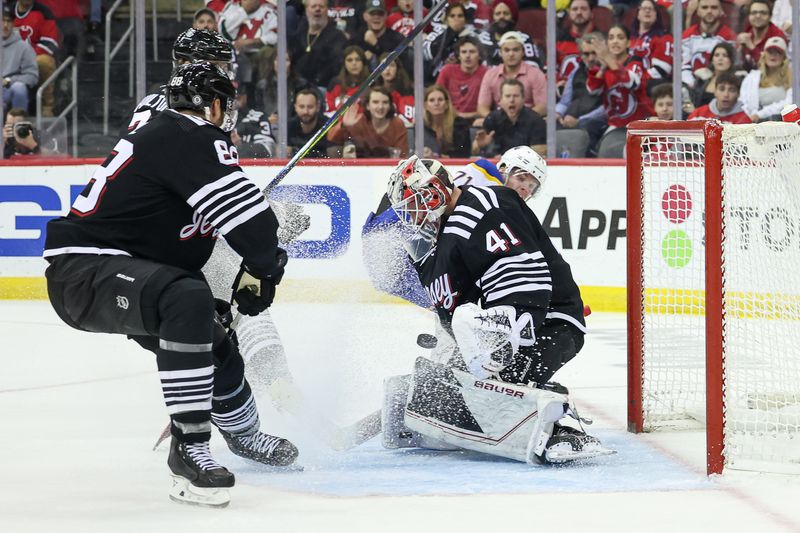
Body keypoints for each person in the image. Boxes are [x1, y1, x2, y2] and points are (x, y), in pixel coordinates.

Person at [42, 62, 298, 508]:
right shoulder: (190, 134)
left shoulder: (169, 134)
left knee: (217, 343)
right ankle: (190, 448)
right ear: (215, 105)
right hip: (86, 269)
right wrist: (265, 267)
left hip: (126, 266)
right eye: (226, 104)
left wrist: (228, 293)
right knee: (187, 300)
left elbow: (171, 241)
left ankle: (245, 436)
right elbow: (254, 230)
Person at [379, 155, 607, 465]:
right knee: (437, 389)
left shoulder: (485, 204)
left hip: (550, 322)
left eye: (414, 203)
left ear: (434, 191)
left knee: (484, 368)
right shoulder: (434, 245)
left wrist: (504, 342)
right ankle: (523, 392)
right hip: (495, 335)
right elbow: (452, 311)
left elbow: (526, 282)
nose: (412, 215)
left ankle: (559, 425)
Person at [125, 29, 234, 135]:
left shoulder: (156, 98)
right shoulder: (189, 107)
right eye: (217, 66)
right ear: (187, 63)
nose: (223, 73)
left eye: (224, 67)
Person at [586, 25, 654, 145]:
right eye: (611, 38)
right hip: (616, 124)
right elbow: (593, 90)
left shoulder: (635, 61)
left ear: (628, 43)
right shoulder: (605, 67)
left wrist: (608, 58)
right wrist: (602, 67)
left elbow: (631, 82)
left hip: (640, 122)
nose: (615, 41)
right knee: (590, 129)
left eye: (620, 37)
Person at [476, 31, 547, 120]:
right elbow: (482, 107)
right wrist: (495, 119)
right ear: (500, 53)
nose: (511, 54)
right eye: (506, 50)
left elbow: (543, 107)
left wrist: (518, 119)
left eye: (515, 50)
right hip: (499, 122)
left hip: (527, 122)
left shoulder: (536, 74)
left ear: (523, 52)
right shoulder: (490, 74)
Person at [326, 85, 409, 158]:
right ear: (368, 105)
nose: (380, 107)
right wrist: (343, 125)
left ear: (390, 105)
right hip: (360, 168)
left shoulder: (398, 124)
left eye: (385, 102)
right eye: (375, 102)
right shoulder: (358, 121)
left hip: (388, 169)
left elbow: (402, 155)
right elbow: (331, 138)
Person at [474, 79, 546, 157]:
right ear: (500, 100)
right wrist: (481, 146)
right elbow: (474, 150)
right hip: (497, 165)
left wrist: (508, 160)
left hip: (524, 167)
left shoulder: (536, 120)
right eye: (507, 96)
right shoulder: (492, 119)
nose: (512, 100)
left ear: (523, 99)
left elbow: (539, 153)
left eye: (516, 96)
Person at [12, 0, 60, 116]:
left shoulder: (43, 12)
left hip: (35, 58)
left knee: (45, 61)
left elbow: (50, 42)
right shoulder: (7, 11)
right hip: (10, 59)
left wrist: (26, 58)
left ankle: (47, 107)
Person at [290, 0, 348, 91]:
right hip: (298, 86)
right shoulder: (299, 35)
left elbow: (335, 68)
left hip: (323, 87)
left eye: (321, 6)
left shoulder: (337, 36)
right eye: (313, 6)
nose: (317, 9)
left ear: (327, 10)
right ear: (306, 10)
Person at [555, 32, 605, 132]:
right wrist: (557, 113)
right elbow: (564, 102)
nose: (591, 58)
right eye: (586, 54)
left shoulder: (609, 73)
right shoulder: (575, 73)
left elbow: (607, 110)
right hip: (569, 122)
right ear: (581, 56)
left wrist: (580, 121)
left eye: (594, 53)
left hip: (595, 125)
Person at [681, 0, 737, 89]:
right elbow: (684, 67)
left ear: (721, 11)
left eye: (714, 7)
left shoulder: (729, 36)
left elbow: (730, 69)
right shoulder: (687, 35)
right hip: (691, 86)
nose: (709, 11)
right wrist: (692, 85)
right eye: (704, 7)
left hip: (717, 86)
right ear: (698, 12)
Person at [435, 35, 487, 124]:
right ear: (458, 56)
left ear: (479, 55)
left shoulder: (487, 73)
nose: (467, 56)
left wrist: (467, 115)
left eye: (472, 52)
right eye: (463, 52)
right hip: (450, 120)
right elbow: (437, 96)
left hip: (478, 120)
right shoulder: (447, 71)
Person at [349, 0, 411, 73]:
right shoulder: (357, 39)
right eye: (372, 14)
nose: (376, 17)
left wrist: (376, 45)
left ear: (386, 15)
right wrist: (362, 58)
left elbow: (401, 64)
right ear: (365, 16)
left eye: (380, 14)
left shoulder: (397, 39)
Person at [477, 0, 543, 69]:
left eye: (506, 13)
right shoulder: (482, 39)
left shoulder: (524, 40)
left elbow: (533, 67)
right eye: (497, 14)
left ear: (512, 16)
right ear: (492, 17)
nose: (501, 17)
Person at [740, 36, 792, 123]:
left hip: (781, 124)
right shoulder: (751, 77)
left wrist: (759, 114)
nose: (773, 55)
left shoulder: (792, 78)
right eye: (770, 52)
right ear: (764, 55)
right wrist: (750, 117)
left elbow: (789, 103)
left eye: (778, 52)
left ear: (784, 58)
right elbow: (742, 102)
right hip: (753, 124)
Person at [423, 2, 473, 84]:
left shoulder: (471, 36)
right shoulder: (437, 33)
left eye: (460, 16)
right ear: (446, 19)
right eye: (452, 16)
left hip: (466, 80)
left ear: (465, 20)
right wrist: (451, 31)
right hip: (436, 80)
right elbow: (429, 53)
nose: (456, 19)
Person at [629, 0, 673, 89]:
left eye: (651, 9)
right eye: (644, 8)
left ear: (656, 15)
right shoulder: (629, 38)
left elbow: (662, 70)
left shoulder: (664, 38)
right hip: (628, 81)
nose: (647, 11)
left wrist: (637, 79)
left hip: (650, 85)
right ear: (638, 14)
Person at [1, 5, 38, 112]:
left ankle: (20, 124)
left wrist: (8, 81)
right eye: (2, 20)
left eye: (9, 21)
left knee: (19, 88)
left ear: (13, 24)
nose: (5, 25)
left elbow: (32, 76)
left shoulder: (24, 47)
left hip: (9, 89)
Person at [737, 0, 787, 72]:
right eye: (754, 13)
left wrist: (752, 47)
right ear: (748, 16)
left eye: (763, 13)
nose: (758, 16)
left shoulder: (777, 37)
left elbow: (772, 68)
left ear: (770, 17)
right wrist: (739, 51)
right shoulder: (746, 32)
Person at [423, 84, 471, 158]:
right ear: (426, 105)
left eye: (440, 100)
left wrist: (438, 157)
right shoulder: (421, 127)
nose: (436, 103)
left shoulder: (460, 124)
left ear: (447, 104)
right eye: (432, 100)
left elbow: (463, 154)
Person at [689, 41, 737, 110]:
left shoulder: (737, 81)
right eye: (717, 55)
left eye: (725, 55)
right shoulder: (702, 79)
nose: (720, 59)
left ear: (731, 60)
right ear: (712, 60)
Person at [556, 0, 595, 84]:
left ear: (592, 13)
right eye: (574, 9)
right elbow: (550, 70)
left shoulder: (601, 40)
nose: (579, 12)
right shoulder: (559, 40)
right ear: (569, 13)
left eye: (583, 9)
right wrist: (557, 83)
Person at [288, 88, 332, 157]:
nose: (306, 111)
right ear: (295, 107)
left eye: (310, 107)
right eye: (301, 107)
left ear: (318, 107)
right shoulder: (288, 126)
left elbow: (334, 156)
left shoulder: (328, 126)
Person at [326, 45, 369, 115]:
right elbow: (330, 111)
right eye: (349, 60)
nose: (354, 63)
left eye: (358, 59)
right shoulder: (334, 83)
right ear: (344, 64)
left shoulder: (372, 82)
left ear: (363, 62)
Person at [232, 92, 276, 158]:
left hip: (254, 162)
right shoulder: (216, 118)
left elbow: (268, 149)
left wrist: (236, 146)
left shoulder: (259, 116)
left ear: (245, 97)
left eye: (238, 97)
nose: (235, 100)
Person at [374, 52, 415, 124]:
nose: (387, 69)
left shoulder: (410, 91)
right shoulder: (373, 93)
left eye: (391, 65)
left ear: (397, 68)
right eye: (384, 66)